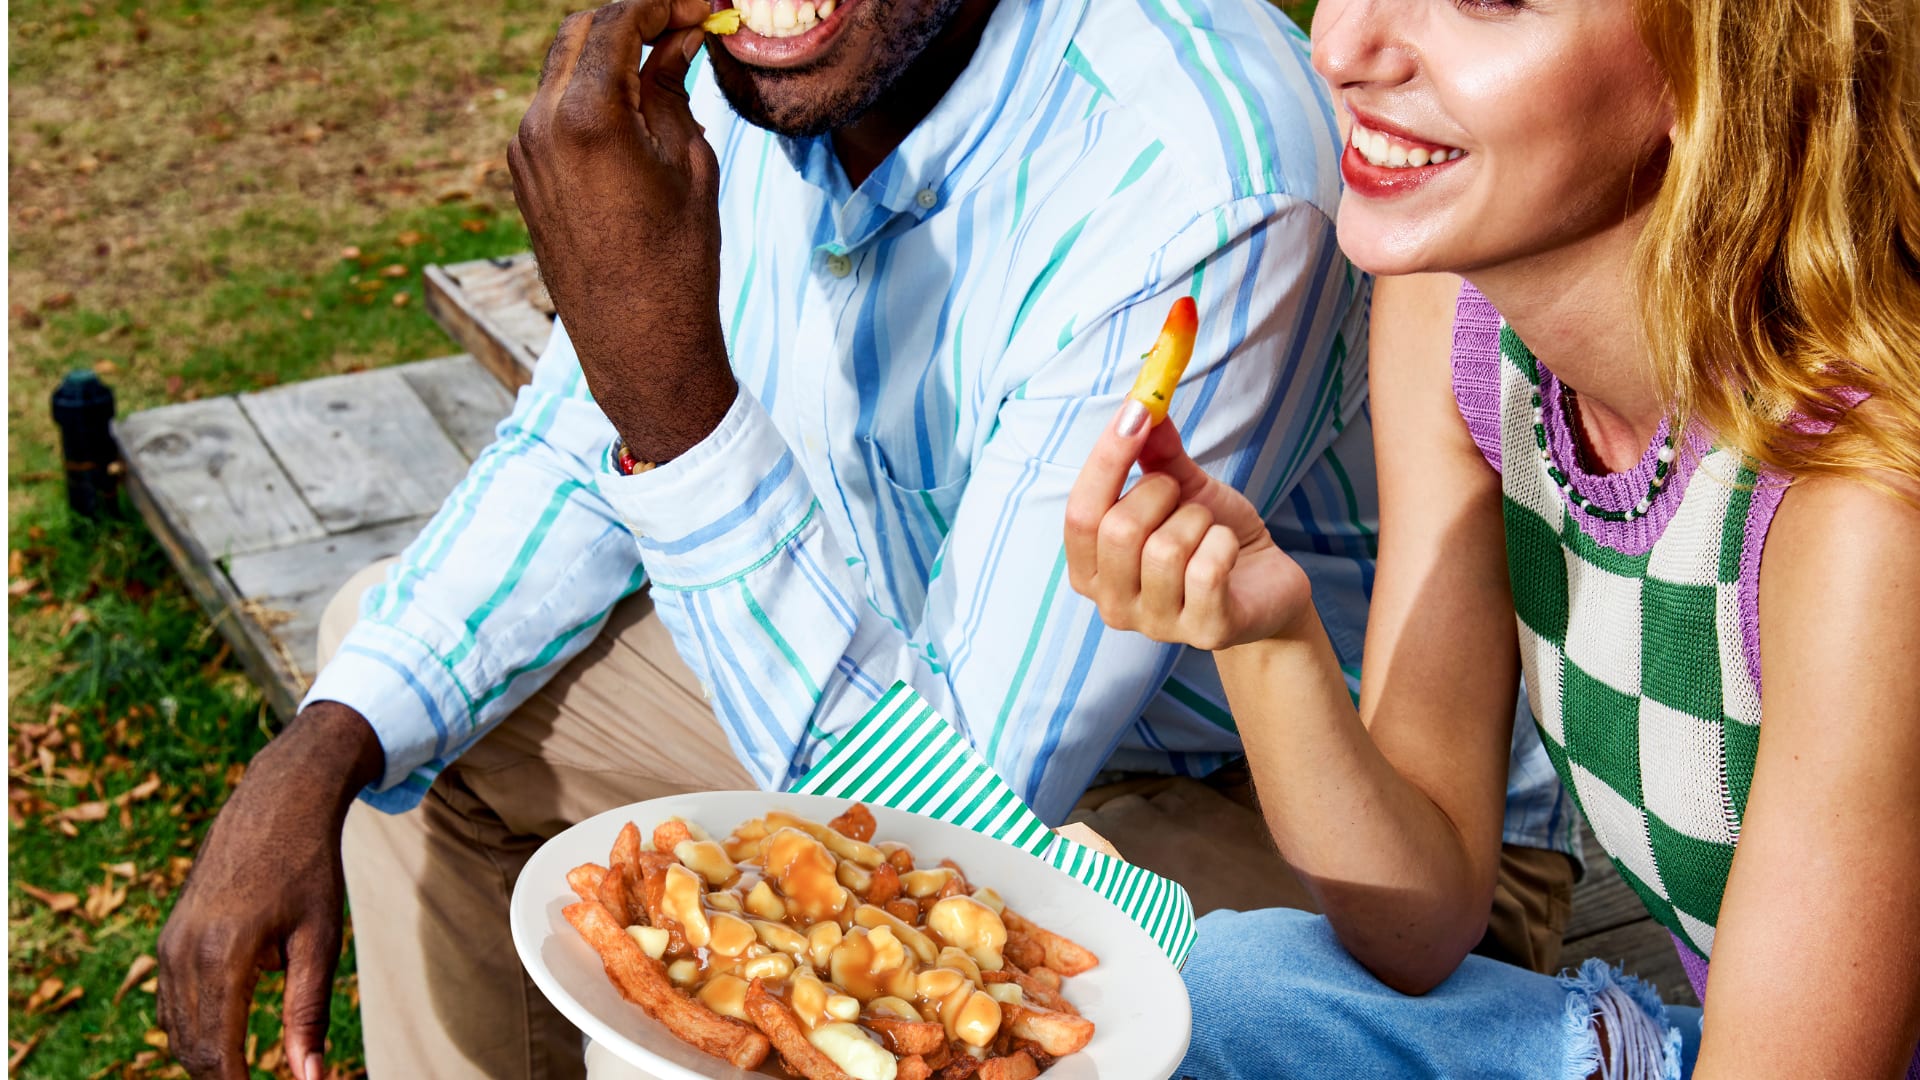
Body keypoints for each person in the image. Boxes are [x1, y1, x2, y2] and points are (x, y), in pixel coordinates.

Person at [150, 1, 1581, 1077]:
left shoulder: (1194, 164)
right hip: (912, 696)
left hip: (1331, 846)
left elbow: (952, 821)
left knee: (915, 995)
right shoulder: (769, 80)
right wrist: (323, 739)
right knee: (392, 681)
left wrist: (675, 403)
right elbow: (581, 450)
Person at [1066, 0, 1920, 1075]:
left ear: (1717, 65)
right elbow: (1418, 924)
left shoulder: (1864, 510)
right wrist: (1260, 634)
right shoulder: (1457, 311)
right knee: (1202, 995)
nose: (1338, 47)